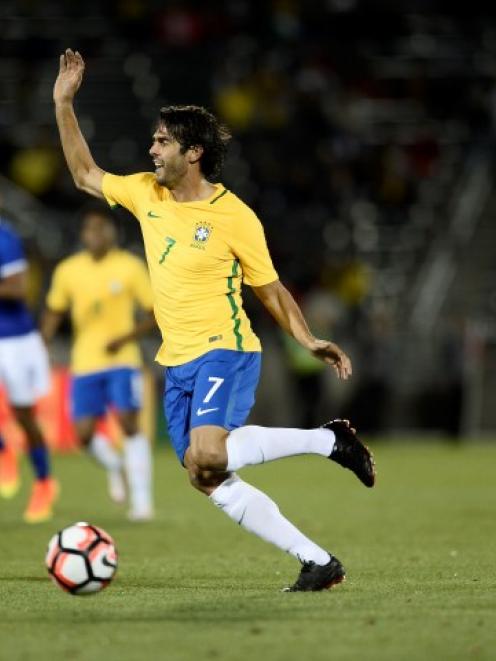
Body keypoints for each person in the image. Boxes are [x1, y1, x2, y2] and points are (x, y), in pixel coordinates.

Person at [53, 49, 376, 591]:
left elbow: (269, 288)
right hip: (175, 360)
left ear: (193, 152)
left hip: (225, 348)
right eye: (154, 140)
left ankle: (327, 442)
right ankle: (318, 559)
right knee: (205, 474)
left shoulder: (234, 216)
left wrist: (306, 337)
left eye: (162, 142)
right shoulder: (144, 192)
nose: (151, 149)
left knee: (207, 451)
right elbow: (85, 174)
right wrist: (63, 103)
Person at [42, 206, 155, 520]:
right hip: (85, 363)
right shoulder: (68, 270)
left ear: (113, 233)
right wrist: (43, 340)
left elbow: (154, 313)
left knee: (130, 425)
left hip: (123, 360)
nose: (97, 235)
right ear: (83, 234)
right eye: (91, 229)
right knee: (83, 435)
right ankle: (115, 466)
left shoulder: (130, 267)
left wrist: (125, 338)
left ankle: (142, 502)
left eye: (103, 228)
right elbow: (54, 310)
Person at [0, 220, 58, 523]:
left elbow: (17, 287)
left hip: (16, 340)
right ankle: (3, 451)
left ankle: (44, 482)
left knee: (24, 416)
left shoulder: (4, 236)